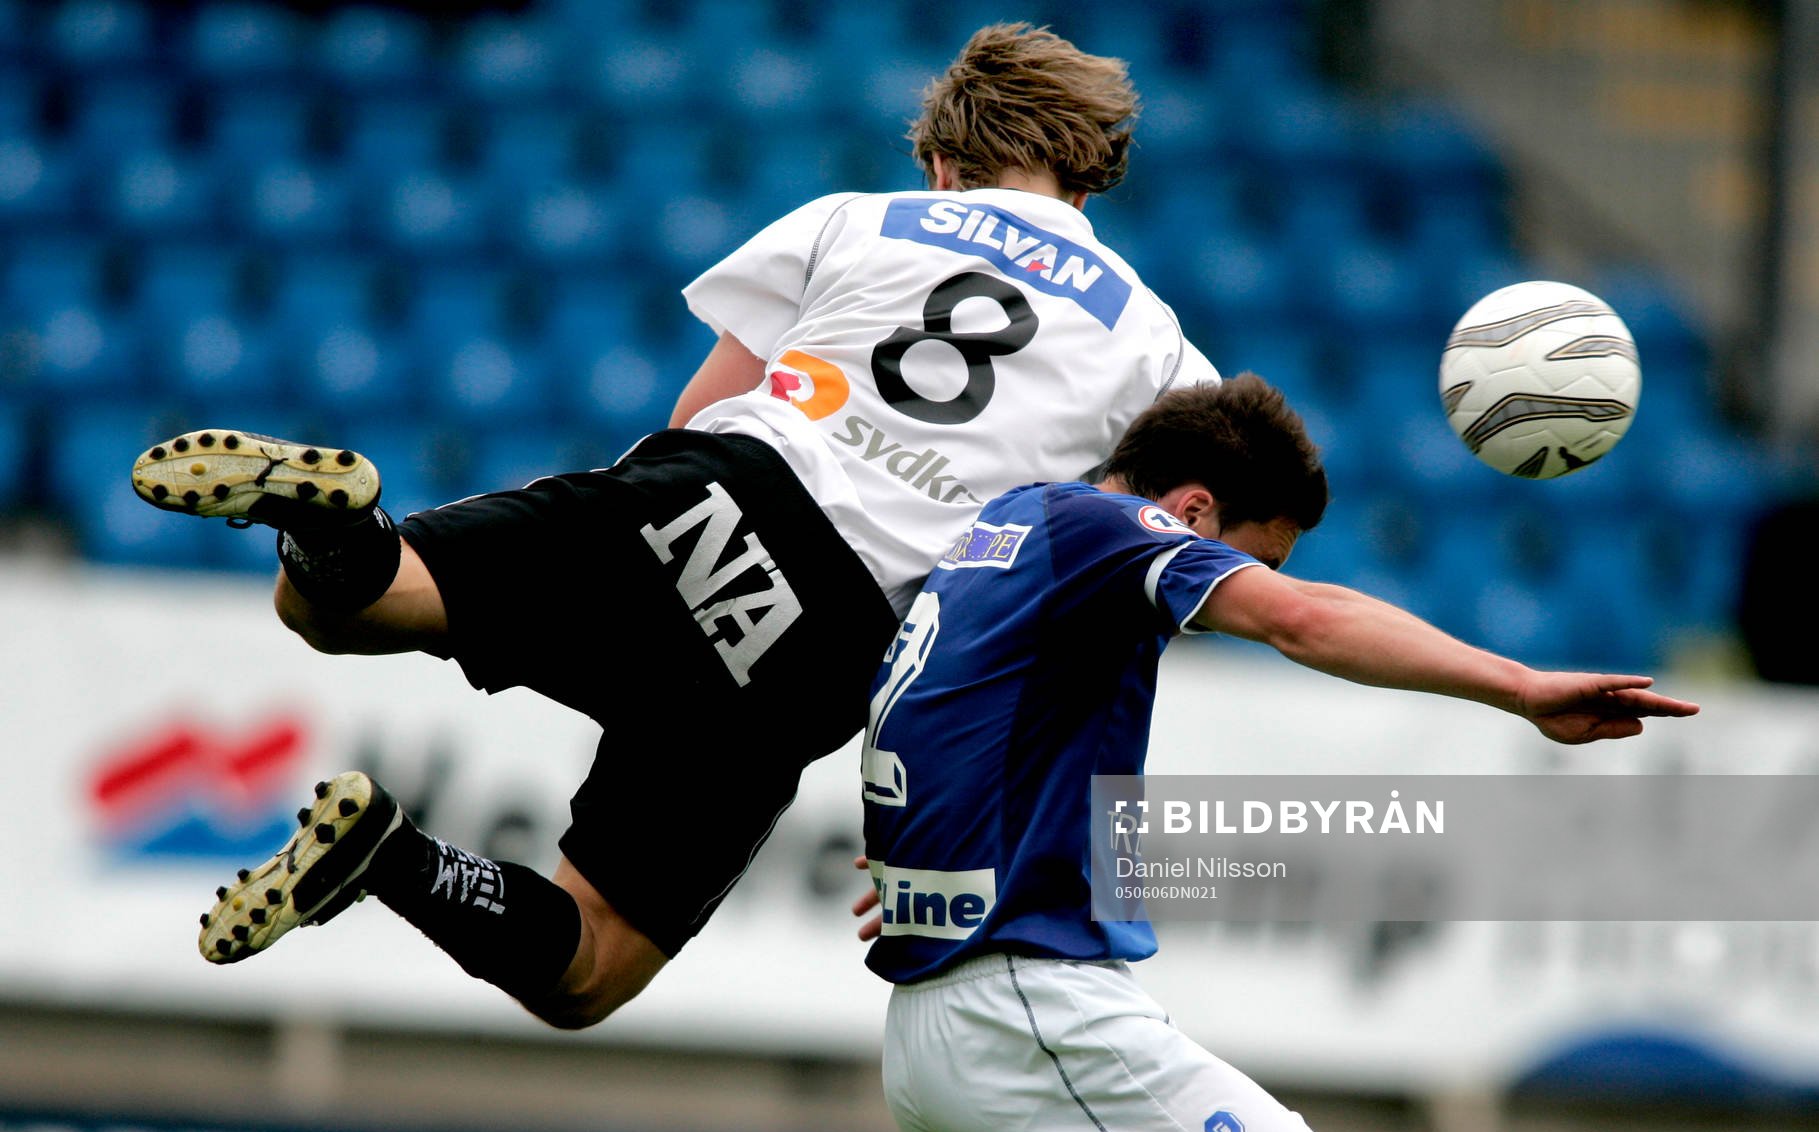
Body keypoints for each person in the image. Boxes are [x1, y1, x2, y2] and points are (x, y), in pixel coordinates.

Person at [129, 24, 1223, 1029]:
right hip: (827, 637)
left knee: (345, 598)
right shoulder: (1154, 347)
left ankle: (337, 524)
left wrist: (624, 570)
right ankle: (393, 858)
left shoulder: (854, 217)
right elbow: (1139, 559)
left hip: (712, 489)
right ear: (1090, 170)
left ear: (941, 159)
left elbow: (694, 412)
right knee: (592, 962)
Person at [847, 374, 1698, 1132]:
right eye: (1255, 557)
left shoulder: (1005, 532)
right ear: (1190, 511)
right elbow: (1303, 620)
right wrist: (1519, 687)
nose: (1245, 588)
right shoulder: (1101, 532)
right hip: (1035, 1020)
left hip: (935, 1045)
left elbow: (945, 714)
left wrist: (937, 854)